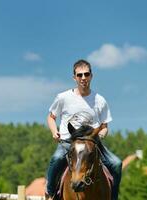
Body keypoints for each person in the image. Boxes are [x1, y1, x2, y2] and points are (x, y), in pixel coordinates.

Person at [45, 59, 122, 200]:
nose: (83, 78)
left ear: (91, 76)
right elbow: (51, 117)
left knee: (116, 164)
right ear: (74, 77)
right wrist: (54, 131)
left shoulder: (100, 101)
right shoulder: (63, 97)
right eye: (79, 75)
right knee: (56, 159)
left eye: (86, 74)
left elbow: (104, 127)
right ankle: (49, 193)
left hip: (92, 142)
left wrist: (101, 135)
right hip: (69, 142)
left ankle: (114, 197)